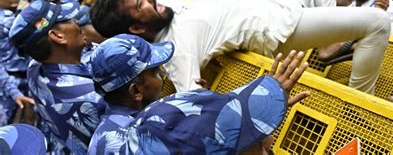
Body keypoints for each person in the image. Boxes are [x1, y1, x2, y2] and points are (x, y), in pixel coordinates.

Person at [91, 0, 391, 95]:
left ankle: (327, 47)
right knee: (378, 22)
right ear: (135, 29)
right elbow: (193, 101)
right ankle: (362, 98)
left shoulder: (165, 5)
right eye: (140, 2)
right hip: (280, 29)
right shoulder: (175, 50)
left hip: (276, 4)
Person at [88, 33, 309, 154]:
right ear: (136, 90)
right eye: (155, 72)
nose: (163, 76)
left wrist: (253, 117)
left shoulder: (107, 133)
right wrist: (257, 137)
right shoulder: (157, 129)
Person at [8, 0, 105, 154]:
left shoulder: (34, 69)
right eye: (68, 20)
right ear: (58, 36)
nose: (76, 22)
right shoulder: (92, 96)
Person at [0, 0, 35, 126]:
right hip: (8, 82)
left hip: (24, 80)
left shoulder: (15, 16)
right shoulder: (6, 21)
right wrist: (14, 92)